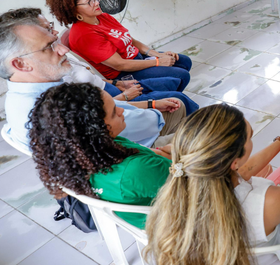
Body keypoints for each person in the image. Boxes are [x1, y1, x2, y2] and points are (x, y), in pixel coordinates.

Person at [144, 104, 280, 265]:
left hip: (257, 240)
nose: (252, 140)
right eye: (250, 137)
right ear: (234, 162)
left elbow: (244, 170)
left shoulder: (180, 191)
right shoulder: (270, 201)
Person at [0, 17, 186, 155]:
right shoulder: (59, 110)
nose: (63, 49)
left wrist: (149, 103)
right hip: (139, 150)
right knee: (196, 123)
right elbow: (128, 128)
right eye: (49, 47)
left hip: (130, 137)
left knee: (176, 96)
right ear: (20, 64)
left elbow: (111, 111)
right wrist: (153, 112)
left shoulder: (27, 94)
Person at [0, 7, 199, 114]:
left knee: (179, 71)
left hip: (114, 88)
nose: (55, 35)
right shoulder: (49, 76)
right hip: (115, 97)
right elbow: (118, 67)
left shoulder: (58, 52)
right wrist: (139, 97)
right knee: (178, 96)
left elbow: (93, 75)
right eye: (47, 30)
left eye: (51, 26)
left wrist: (152, 53)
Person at [29, 83, 173, 229]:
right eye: (113, 112)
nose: (122, 111)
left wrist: (165, 151)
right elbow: (189, 185)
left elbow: (149, 154)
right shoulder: (137, 170)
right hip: (174, 220)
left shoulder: (82, 154)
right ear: (95, 129)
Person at [45, 0, 193, 91]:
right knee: (181, 75)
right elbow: (120, 64)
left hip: (136, 59)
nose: (97, 3)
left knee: (184, 61)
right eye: (89, 2)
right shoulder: (84, 34)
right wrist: (157, 62)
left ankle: (170, 94)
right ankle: (172, 102)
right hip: (123, 72)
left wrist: (156, 54)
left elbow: (131, 40)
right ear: (73, 9)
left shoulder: (103, 17)